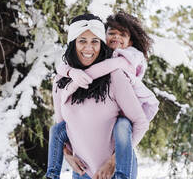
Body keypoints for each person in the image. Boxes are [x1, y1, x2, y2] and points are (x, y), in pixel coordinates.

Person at [48, 13, 152, 179]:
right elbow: (63, 126)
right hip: (82, 171)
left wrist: (113, 162)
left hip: (117, 170)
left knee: (123, 124)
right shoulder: (61, 81)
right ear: (72, 43)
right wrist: (67, 154)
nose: (89, 48)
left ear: (101, 43)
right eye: (82, 40)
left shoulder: (115, 75)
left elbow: (140, 122)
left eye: (95, 41)